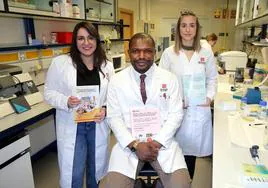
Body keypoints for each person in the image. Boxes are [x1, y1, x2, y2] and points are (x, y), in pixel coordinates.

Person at [102, 33, 191, 188]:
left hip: (162, 144)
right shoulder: (117, 81)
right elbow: (114, 118)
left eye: (147, 51)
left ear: (154, 53)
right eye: (136, 51)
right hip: (129, 145)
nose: (141, 56)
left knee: (182, 185)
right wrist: (135, 145)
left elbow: (176, 115)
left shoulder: (169, 79)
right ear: (129, 53)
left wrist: (156, 142)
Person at [44, 21, 114, 188]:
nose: (86, 43)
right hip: (73, 126)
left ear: (97, 40)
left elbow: (113, 97)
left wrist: (105, 109)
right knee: (74, 173)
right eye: (81, 38)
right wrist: (66, 101)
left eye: (90, 38)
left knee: (94, 171)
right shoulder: (61, 64)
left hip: (97, 124)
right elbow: (48, 92)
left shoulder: (106, 65)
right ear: (75, 41)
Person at [159, 10, 218, 180]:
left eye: (192, 25)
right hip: (175, 111)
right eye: (183, 25)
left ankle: (187, 182)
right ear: (178, 29)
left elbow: (212, 78)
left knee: (190, 154)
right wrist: (173, 100)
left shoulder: (206, 52)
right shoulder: (169, 53)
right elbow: (161, 84)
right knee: (173, 152)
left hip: (198, 110)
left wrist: (209, 97)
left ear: (197, 29)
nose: (187, 29)